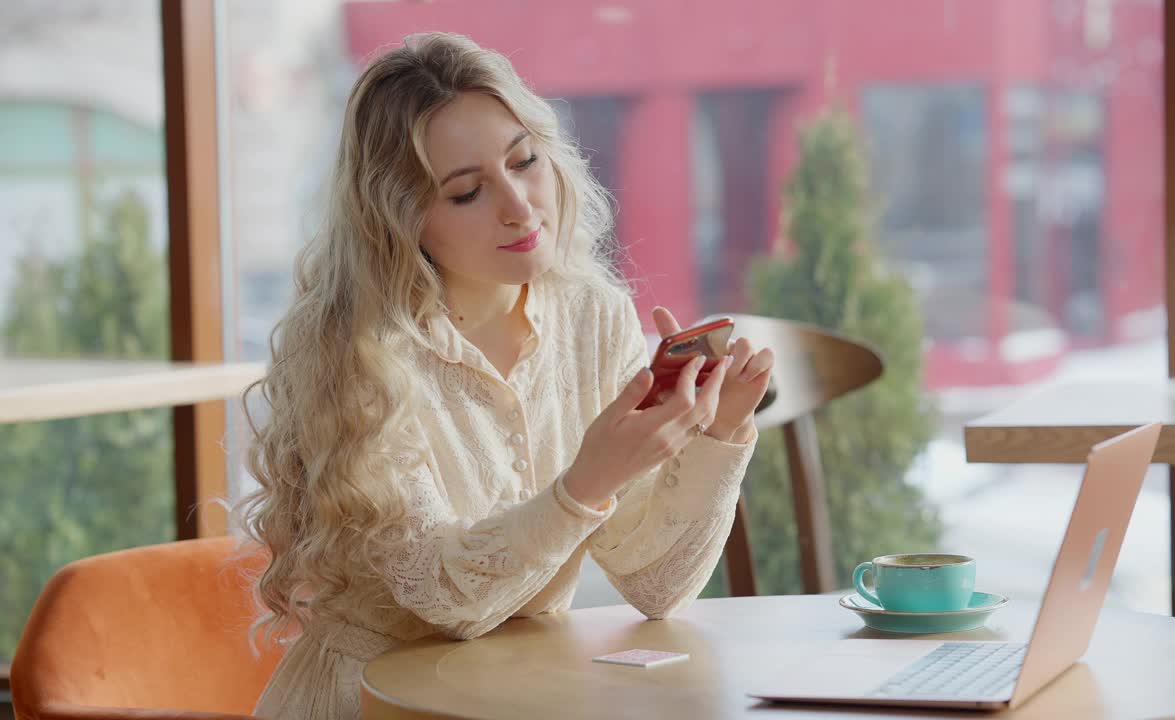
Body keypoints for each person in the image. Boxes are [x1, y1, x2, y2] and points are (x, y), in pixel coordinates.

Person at [237, 31, 774, 719]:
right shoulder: (357, 354)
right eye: (466, 193)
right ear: (401, 220)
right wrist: (590, 480)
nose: (519, 205)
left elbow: (658, 586)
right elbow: (443, 596)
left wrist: (716, 437)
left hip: (527, 694)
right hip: (375, 702)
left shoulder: (594, 316)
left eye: (526, 161)